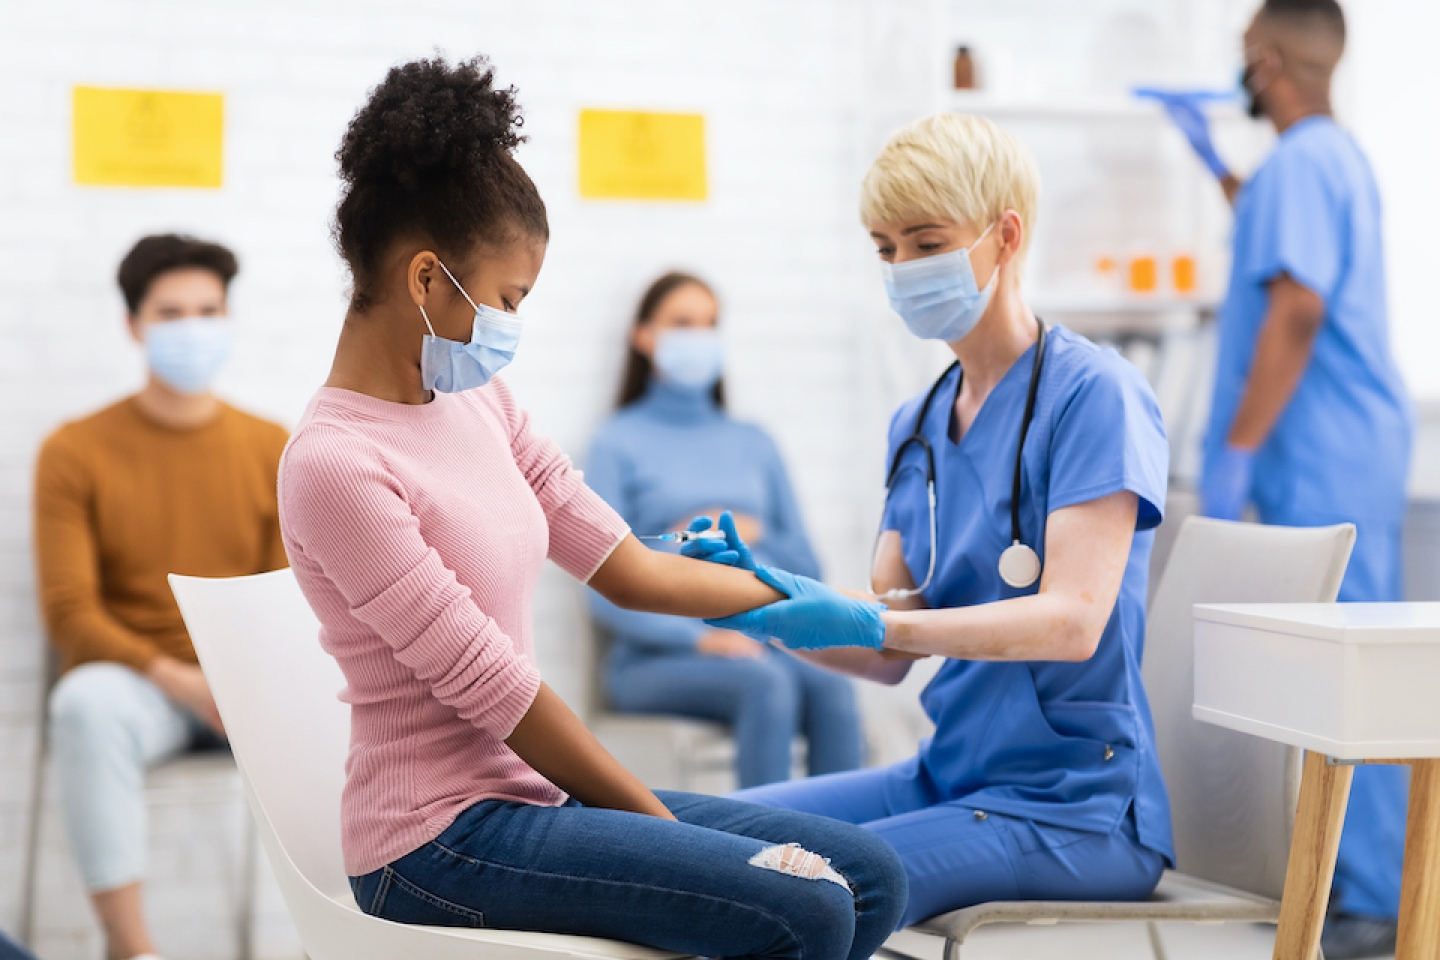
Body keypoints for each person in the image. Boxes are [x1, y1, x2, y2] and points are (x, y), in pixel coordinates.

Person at [275, 56, 905, 960]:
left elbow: (631, 568)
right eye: (505, 299)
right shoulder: (335, 465)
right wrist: (673, 835)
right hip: (434, 841)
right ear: (425, 281)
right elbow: (498, 692)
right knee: (804, 909)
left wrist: (795, 600)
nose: (509, 325)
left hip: (529, 799)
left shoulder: (478, 402)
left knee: (871, 878)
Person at [680, 112, 1174, 927]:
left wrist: (880, 626)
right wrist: (757, 601)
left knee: (783, 883)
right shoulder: (917, 422)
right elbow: (885, 650)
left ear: (1004, 236)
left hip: (1072, 807)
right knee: (693, 837)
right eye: (884, 247)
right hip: (945, 777)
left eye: (925, 240)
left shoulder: (1095, 397)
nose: (902, 267)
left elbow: (1074, 624)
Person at [1152, 2, 1413, 955]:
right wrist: (1220, 172)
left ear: (1264, 62)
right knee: (1338, 673)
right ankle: (1353, 883)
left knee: (1354, 681)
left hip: (1319, 449)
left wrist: (1240, 449)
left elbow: (1295, 310)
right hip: (1348, 445)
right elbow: (1281, 248)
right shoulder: (1322, 159)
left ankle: (1376, 902)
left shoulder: (1302, 164)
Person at [33, 234, 289, 960]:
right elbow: (69, 612)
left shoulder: (271, 444)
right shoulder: (74, 451)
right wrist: (181, 679)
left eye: (208, 310)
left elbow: (281, 600)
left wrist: (244, 688)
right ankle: (132, 946)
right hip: (148, 691)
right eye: (171, 313)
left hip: (247, 690)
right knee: (84, 704)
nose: (193, 328)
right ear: (134, 325)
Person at [586, 271, 864, 788]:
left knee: (836, 690)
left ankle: (844, 856)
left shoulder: (754, 442)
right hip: (653, 660)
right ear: (643, 336)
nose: (699, 337)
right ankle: (763, 864)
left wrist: (752, 535)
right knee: (767, 686)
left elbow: (807, 569)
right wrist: (698, 634)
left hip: (760, 644)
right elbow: (602, 590)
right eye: (683, 323)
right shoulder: (616, 443)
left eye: (710, 324)